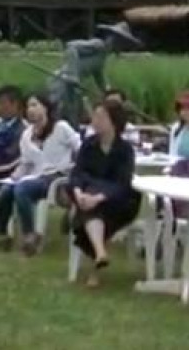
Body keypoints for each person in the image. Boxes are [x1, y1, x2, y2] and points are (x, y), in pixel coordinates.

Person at [0, 93, 81, 255]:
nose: (31, 110)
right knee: (6, 190)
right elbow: (26, 162)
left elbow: (80, 148)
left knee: (22, 189)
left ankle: (30, 235)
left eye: (35, 105)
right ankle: (3, 235)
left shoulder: (61, 128)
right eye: (28, 106)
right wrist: (16, 175)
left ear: (46, 108)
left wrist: (75, 170)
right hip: (35, 176)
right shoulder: (27, 135)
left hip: (57, 176)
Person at [68, 100, 140, 288]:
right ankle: (100, 255)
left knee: (91, 212)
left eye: (101, 117)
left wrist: (98, 197)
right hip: (87, 196)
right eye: (95, 116)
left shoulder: (125, 150)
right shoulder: (88, 145)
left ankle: (98, 259)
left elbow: (123, 183)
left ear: (114, 121)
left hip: (118, 201)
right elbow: (77, 173)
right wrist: (78, 192)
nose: (95, 121)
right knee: (89, 210)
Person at [47, 22, 142, 125]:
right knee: (56, 110)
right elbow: (71, 47)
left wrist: (109, 94)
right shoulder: (98, 45)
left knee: (72, 115)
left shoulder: (102, 58)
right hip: (63, 81)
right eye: (115, 40)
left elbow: (99, 78)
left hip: (72, 88)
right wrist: (72, 74)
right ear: (110, 38)